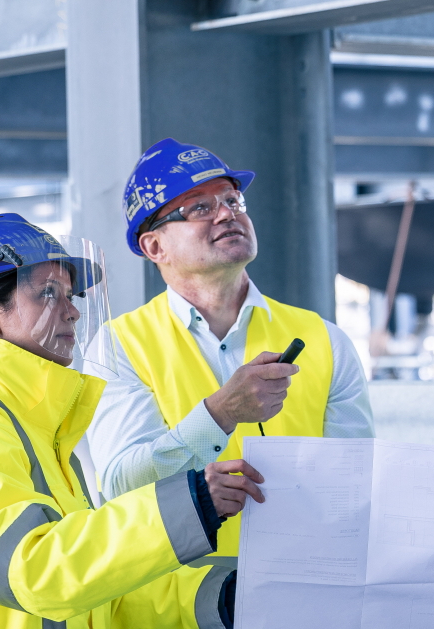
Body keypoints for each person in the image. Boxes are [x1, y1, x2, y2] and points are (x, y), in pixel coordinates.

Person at [0, 214, 258, 628]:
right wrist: (190, 503)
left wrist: (219, 598)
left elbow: (96, 594)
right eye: (47, 293)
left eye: (70, 295)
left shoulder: (39, 429)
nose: (73, 312)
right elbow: (36, 573)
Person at [87, 138, 374, 562]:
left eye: (232, 200)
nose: (227, 214)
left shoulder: (324, 340)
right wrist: (219, 415)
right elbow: (121, 484)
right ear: (154, 247)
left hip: (300, 584)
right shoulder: (119, 345)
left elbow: (357, 481)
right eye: (199, 208)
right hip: (178, 596)